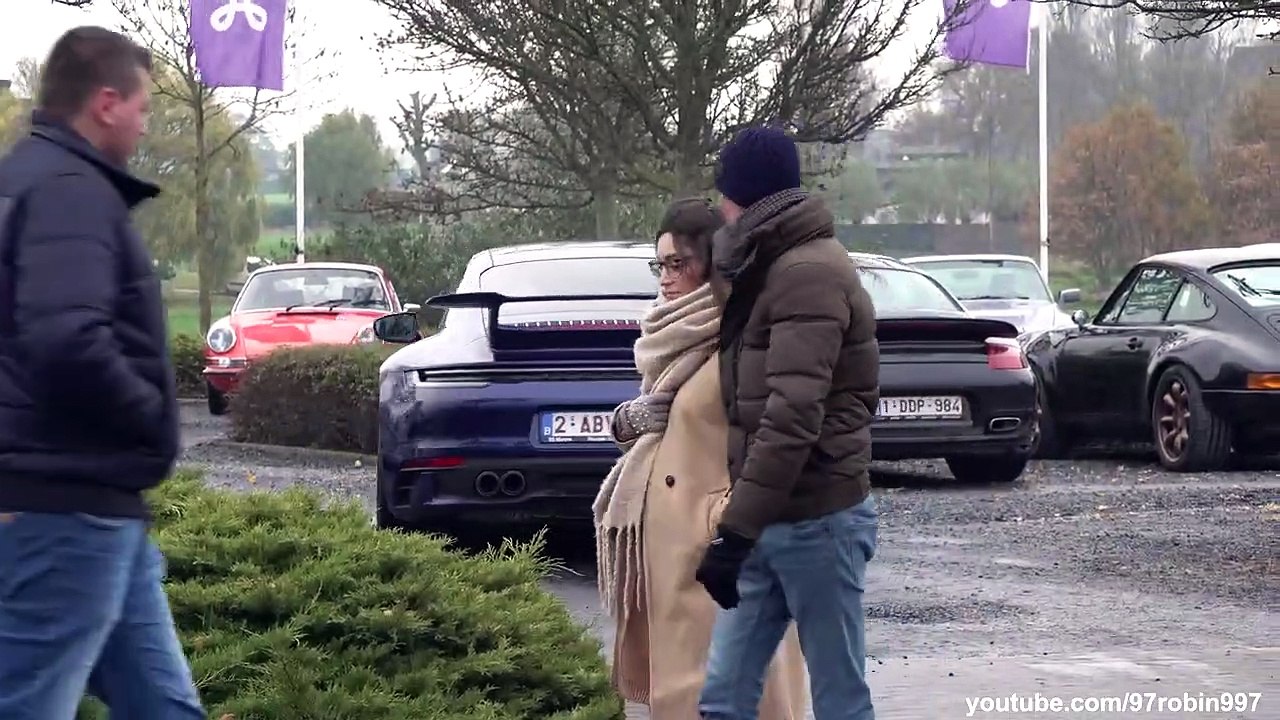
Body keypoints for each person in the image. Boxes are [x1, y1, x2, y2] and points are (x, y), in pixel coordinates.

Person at [0, 26, 204, 720]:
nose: (145, 127)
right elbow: (67, 340)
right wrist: (148, 417)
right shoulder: (71, 192)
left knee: (166, 709)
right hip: (66, 509)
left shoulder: (25, 178)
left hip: (93, 507)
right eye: (143, 108)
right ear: (107, 102)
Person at [593, 197, 808, 720]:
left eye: (679, 263)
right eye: (659, 265)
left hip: (720, 546)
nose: (666, 278)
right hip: (672, 547)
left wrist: (727, 517)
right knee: (686, 690)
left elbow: (776, 435)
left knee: (740, 689)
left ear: (713, 261)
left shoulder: (741, 332)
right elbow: (673, 421)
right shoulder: (669, 335)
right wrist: (633, 420)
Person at [694, 126, 881, 720]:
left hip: (818, 520)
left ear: (744, 197)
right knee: (722, 699)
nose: (720, 208)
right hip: (768, 517)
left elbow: (791, 416)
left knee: (839, 700)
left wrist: (734, 532)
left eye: (725, 194)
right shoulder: (767, 266)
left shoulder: (807, 273)